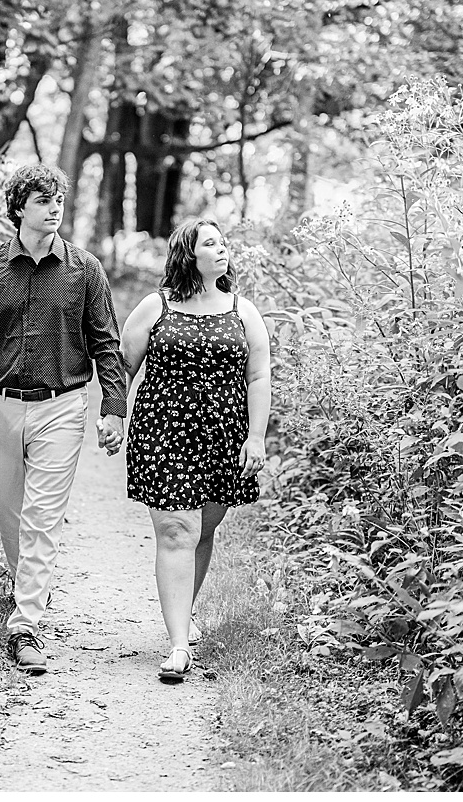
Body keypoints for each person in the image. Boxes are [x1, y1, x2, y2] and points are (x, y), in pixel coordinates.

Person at [0, 165, 128, 674]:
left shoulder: (85, 269)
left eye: (58, 200)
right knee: (10, 514)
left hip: (63, 405)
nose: (54, 208)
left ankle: (25, 625)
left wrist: (114, 408)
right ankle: (27, 588)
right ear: (18, 208)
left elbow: (106, 344)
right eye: (43, 200)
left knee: (41, 517)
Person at [117, 218, 270, 683]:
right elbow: (121, 366)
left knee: (203, 529)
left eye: (223, 243)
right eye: (210, 243)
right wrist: (112, 416)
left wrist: (256, 437)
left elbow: (259, 376)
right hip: (164, 432)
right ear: (188, 254)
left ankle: (183, 614)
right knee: (177, 532)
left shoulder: (243, 311)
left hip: (225, 436)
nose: (222, 249)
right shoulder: (155, 306)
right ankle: (179, 644)